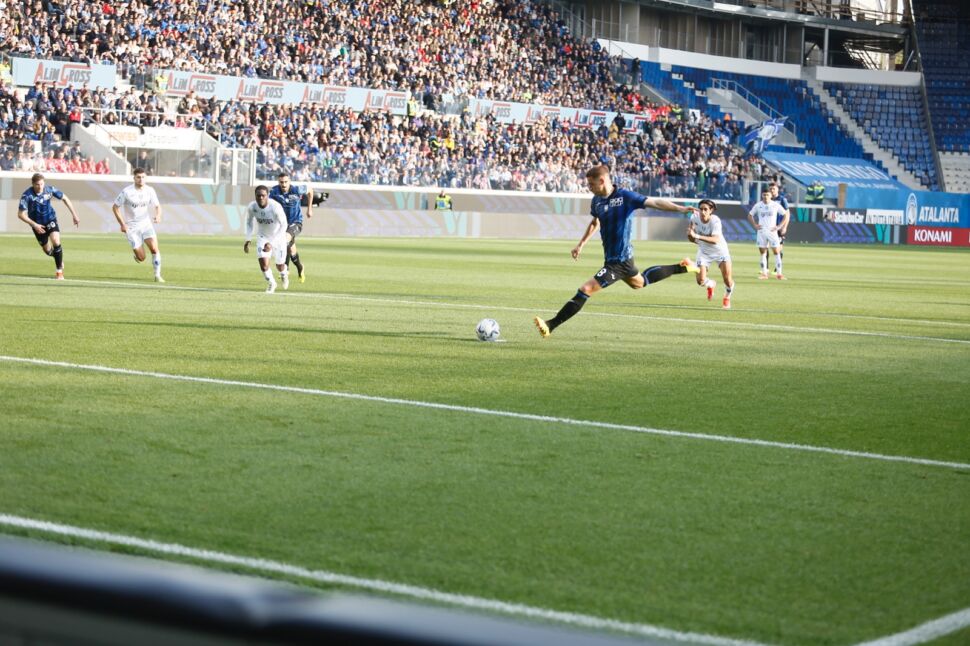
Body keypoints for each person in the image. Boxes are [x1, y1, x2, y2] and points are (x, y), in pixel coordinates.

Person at [534, 165, 700, 338]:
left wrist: (680, 209)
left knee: (586, 289)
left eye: (591, 184)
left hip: (619, 261)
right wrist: (581, 244)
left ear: (602, 180)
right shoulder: (596, 201)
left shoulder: (625, 197)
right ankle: (684, 266)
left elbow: (655, 203)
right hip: (616, 259)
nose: (589, 188)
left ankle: (550, 325)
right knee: (640, 282)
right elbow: (595, 222)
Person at [17, 172, 80, 279]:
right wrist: (34, 225)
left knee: (56, 240)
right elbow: (20, 214)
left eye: (42, 184)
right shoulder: (27, 195)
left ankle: (59, 272)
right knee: (47, 250)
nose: (40, 186)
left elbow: (65, 198)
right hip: (37, 224)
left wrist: (74, 214)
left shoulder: (49, 190)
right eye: (37, 184)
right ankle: (57, 257)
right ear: (33, 184)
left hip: (50, 219)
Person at [112, 167, 165, 282]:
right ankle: (138, 255)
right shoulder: (127, 192)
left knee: (155, 249)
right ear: (134, 178)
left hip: (146, 224)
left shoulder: (150, 190)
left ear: (146, 178)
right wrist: (122, 224)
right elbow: (115, 207)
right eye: (138, 177)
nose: (141, 179)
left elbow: (157, 206)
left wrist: (158, 215)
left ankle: (157, 275)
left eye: (143, 177)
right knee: (142, 258)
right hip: (132, 227)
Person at [687, 199, 734, 309]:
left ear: (711, 210)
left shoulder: (715, 221)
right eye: (701, 209)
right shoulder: (694, 218)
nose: (703, 212)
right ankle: (711, 284)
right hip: (704, 251)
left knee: (727, 279)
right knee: (700, 281)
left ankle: (727, 297)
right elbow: (691, 237)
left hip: (720, 251)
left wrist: (697, 236)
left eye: (705, 209)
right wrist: (690, 235)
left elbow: (716, 239)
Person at [268, 171, 312, 282]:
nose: (283, 185)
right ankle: (300, 267)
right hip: (282, 225)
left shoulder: (297, 190)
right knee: (292, 252)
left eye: (285, 182)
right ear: (278, 182)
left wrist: (309, 208)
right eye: (281, 182)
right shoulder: (274, 192)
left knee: (284, 240)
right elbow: (269, 205)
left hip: (296, 222)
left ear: (289, 182)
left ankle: (285, 268)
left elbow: (310, 190)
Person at [244, 185, 289, 293]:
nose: (260, 198)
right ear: (255, 196)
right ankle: (272, 283)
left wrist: (272, 243)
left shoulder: (275, 207)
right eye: (258, 195)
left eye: (263, 195)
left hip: (278, 237)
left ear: (267, 195)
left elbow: (284, 225)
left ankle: (284, 274)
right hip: (263, 236)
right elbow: (249, 222)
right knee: (264, 265)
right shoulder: (252, 207)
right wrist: (248, 239)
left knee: (280, 266)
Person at [748, 187, 789, 280]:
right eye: (764, 195)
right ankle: (764, 274)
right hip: (761, 232)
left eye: (767, 195)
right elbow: (750, 215)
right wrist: (755, 225)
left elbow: (785, 215)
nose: (766, 196)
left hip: (772, 232)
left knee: (776, 252)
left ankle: (779, 274)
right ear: (762, 195)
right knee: (763, 253)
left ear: (771, 195)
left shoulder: (775, 205)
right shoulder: (758, 205)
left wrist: (779, 226)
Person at [769, 183, 790, 259]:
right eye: (770, 189)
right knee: (766, 247)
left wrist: (784, 227)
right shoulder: (767, 200)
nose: (772, 190)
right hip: (769, 227)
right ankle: (766, 268)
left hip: (779, 227)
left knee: (778, 248)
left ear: (777, 189)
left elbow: (787, 214)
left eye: (773, 189)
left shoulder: (782, 199)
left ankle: (776, 269)